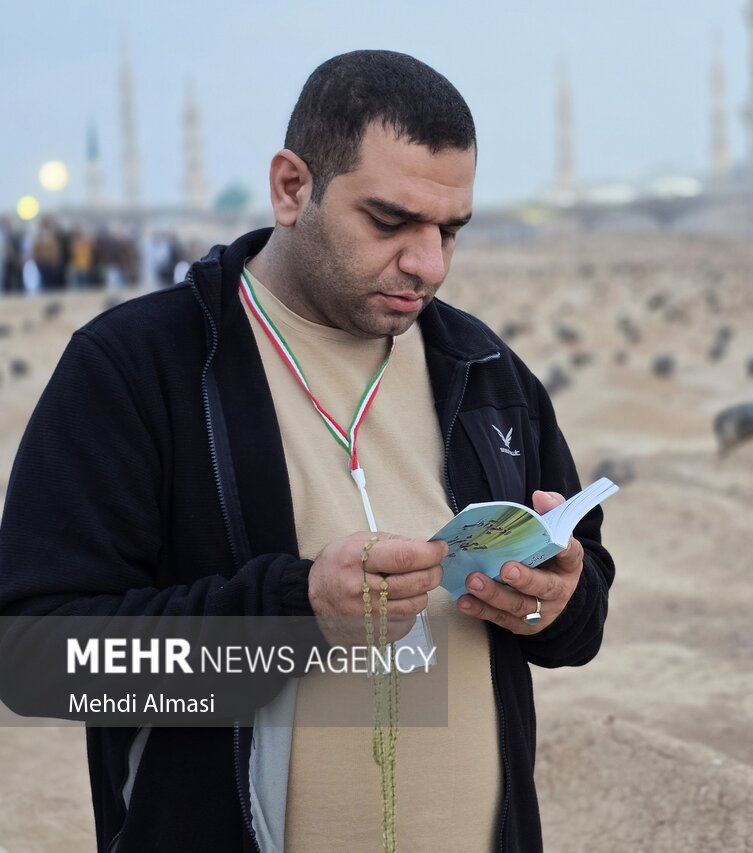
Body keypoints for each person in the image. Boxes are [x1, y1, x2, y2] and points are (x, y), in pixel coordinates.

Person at [0, 50, 614, 852]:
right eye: (390, 222)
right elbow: (43, 662)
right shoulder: (138, 367)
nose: (427, 262)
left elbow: (582, 603)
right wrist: (293, 613)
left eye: (449, 230)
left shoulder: (486, 371)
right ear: (294, 188)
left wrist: (552, 602)